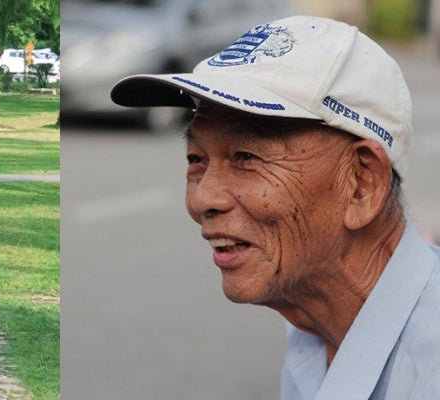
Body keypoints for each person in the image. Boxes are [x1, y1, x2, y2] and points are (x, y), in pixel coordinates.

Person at [110, 15, 440, 399]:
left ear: (362, 184)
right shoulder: (316, 333)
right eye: (196, 158)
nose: (202, 200)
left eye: (247, 157)